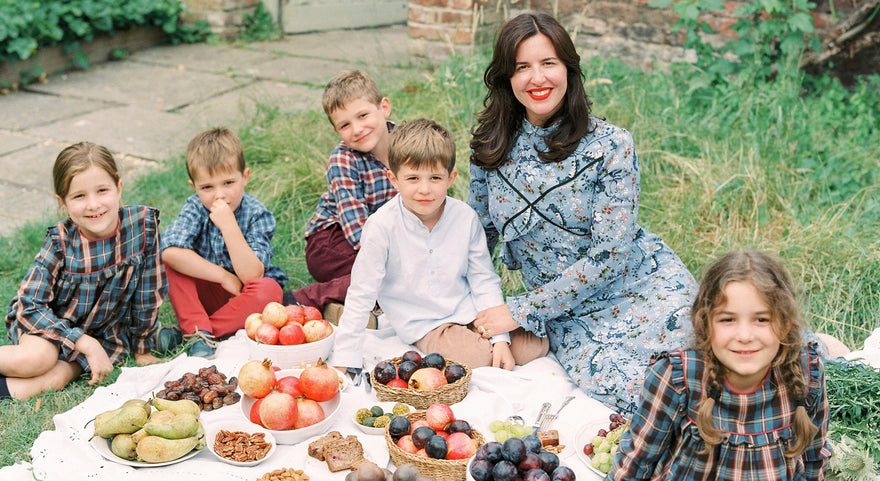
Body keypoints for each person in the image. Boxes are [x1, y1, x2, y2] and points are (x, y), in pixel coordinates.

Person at [467, 12, 698, 413]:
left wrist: (517, 311)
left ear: (569, 70)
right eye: (522, 67)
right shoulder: (489, 149)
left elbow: (609, 257)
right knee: (646, 396)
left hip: (642, 286)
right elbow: (476, 241)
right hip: (569, 315)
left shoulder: (611, 146)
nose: (537, 78)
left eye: (548, 63)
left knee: (717, 363)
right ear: (506, 77)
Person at [328, 119, 548, 371]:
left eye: (435, 177)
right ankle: (480, 346)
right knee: (477, 358)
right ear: (393, 179)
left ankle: (488, 343)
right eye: (412, 178)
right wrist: (345, 358)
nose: (424, 189)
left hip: (470, 310)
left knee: (536, 343)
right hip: (427, 323)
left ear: (451, 178)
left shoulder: (464, 218)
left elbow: (483, 279)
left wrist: (500, 338)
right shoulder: (381, 226)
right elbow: (362, 291)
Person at [608, 250, 832, 481]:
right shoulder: (679, 377)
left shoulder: (806, 372)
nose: (744, 336)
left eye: (761, 319)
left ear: (785, 324)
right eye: (728, 319)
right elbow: (637, 460)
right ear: (706, 324)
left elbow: (815, 457)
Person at [2, 142, 166, 400]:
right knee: (39, 359)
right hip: (49, 326)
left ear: (119, 188)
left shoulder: (142, 227)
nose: (93, 204)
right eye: (79, 196)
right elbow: (29, 306)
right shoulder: (61, 242)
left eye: (102, 190)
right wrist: (83, 342)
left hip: (105, 335)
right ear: (63, 202)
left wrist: (143, 347)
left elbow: (148, 292)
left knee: (57, 377)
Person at [160, 128, 286, 358]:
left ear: (245, 177)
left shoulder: (257, 214)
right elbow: (169, 252)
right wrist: (222, 276)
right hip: (205, 292)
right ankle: (199, 330)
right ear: (194, 187)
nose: (219, 195)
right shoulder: (195, 207)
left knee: (270, 290)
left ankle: (196, 334)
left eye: (228, 182)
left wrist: (229, 226)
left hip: (242, 296)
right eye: (207, 187)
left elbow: (252, 276)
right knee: (172, 261)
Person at [286, 70, 398, 324]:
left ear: (384, 107)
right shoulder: (342, 160)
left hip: (382, 239)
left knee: (408, 269)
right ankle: (305, 298)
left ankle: (340, 308)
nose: (357, 129)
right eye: (345, 125)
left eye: (363, 115)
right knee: (392, 272)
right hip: (332, 242)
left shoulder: (409, 145)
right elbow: (358, 232)